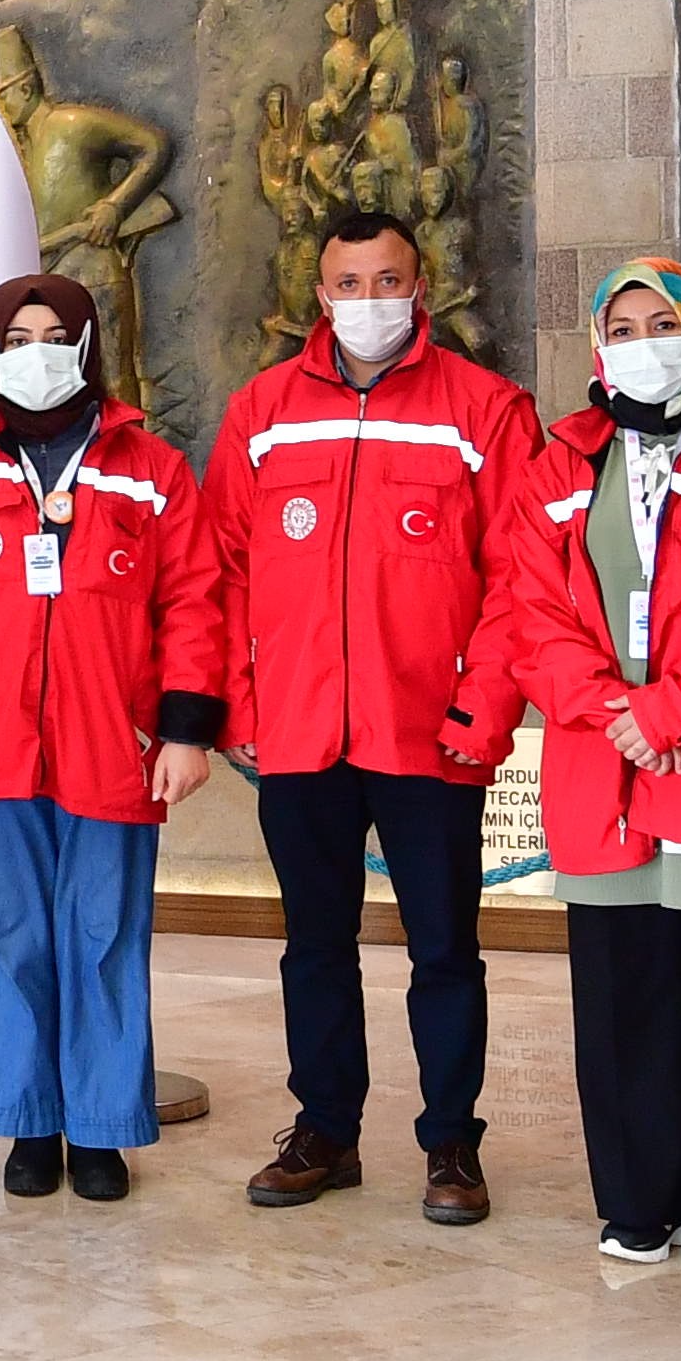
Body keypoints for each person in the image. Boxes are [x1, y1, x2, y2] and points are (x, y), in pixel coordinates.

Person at [174, 209, 530, 1222]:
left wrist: (484, 707)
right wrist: (239, 704)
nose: (368, 301)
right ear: (320, 295)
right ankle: (325, 1129)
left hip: (432, 733)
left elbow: (520, 574)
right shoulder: (263, 410)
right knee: (313, 945)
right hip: (299, 733)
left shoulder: (486, 409)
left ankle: (452, 1141)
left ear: (422, 288)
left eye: (387, 282)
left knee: (445, 951)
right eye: (349, 284)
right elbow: (221, 568)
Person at [0, 274, 215, 1198]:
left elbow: (194, 602)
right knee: (6, 936)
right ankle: (27, 1120)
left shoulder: (151, 468)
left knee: (105, 935)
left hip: (115, 743)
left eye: (56, 337)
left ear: (88, 346)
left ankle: (101, 1128)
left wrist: (185, 730)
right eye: (19, 339)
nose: (38, 355)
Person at [498, 257, 681, 1267]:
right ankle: (636, 1197)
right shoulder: (560, 460)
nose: (640, 345)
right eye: (621, 330)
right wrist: (609, 710)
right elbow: (530, 609)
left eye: (661, 324)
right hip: (602, 766)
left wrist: (670, 710)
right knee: (623, 999)